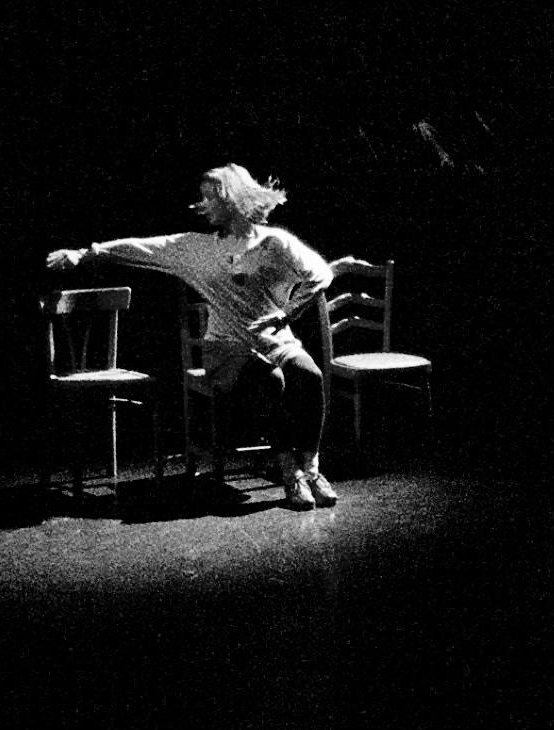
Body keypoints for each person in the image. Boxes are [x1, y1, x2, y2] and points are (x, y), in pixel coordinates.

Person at [47, 163, 340, 506]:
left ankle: (311, 467)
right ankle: (289, 472)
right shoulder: (196, 248)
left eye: (209, 197)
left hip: (276, 341)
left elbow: (320, 274)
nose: (201, 205)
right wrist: (85, 253)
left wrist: (286, 313)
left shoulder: (274, 242)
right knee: (270, 380)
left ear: (231, 198)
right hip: (225, 347)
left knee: (309, 375)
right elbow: (142, 247)